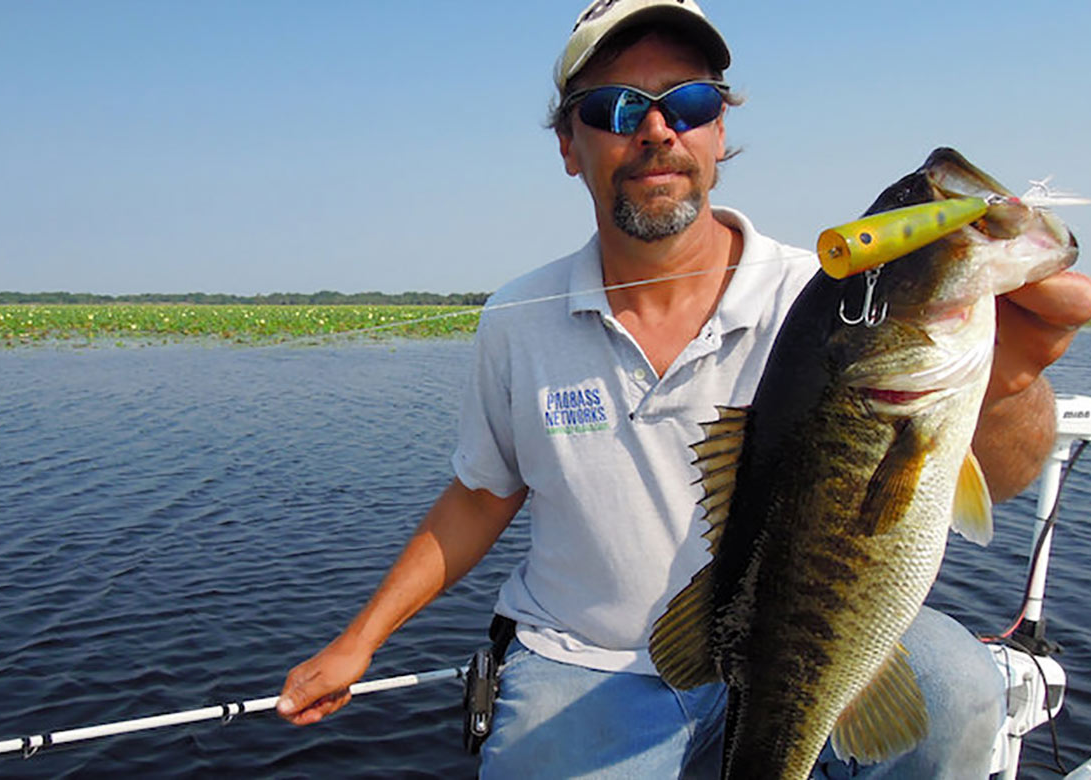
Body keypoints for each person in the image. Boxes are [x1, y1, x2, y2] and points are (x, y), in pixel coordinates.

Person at [276, 1, 1091, 776]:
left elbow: (1001, 475)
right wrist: (361, 637)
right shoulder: (518, 321)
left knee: (956, 692)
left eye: (689, 102)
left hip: (805, 645)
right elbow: (482, 496)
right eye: (616, 110)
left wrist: (1017, 373)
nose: (658, 130)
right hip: (586, 662)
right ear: (569, 145)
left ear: (720, 131)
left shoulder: (824, 295)